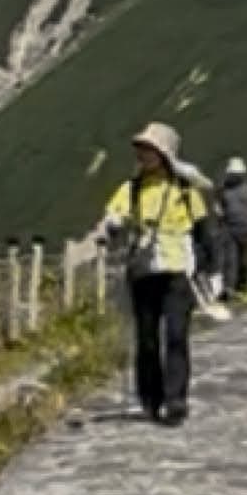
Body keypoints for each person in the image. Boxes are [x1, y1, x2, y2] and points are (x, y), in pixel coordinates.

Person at [98, 120, 208, 424]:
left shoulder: (184, 189)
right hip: (144, 269)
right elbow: (114, 216)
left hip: (178, 269)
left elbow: (203, 229)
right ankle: (151, 397)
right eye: (141, 150)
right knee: (147, 338)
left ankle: (175, 400)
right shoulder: (131, 188)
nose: (143, 155)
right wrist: (114, 225)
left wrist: (209, 269)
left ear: (164, 154)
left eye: (149, 149)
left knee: (175, 335)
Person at [216, 160, 247, 295]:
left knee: (245, 263)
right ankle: (229, 289)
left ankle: (242, 287)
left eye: (238, 174)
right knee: (230, 262)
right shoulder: (222, 189)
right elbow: (219, 208)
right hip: (230, 231)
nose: (235, 177)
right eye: (233, 174)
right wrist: (220, 225)